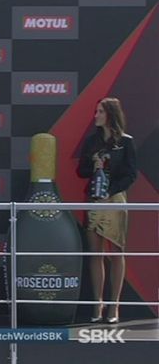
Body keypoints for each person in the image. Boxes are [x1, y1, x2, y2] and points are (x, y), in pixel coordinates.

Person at [77, 97, 136, 324]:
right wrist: (93, 165)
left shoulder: (126, 142)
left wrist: (110, 191)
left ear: (110, 114)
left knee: (117, 252)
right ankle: (97, 304)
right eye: (96, 111)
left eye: (100, 112)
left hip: (115, 199)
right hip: (94, 199)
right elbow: (81, 171)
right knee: (95, 253)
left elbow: (131, 174)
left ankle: (114, 305)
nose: (96, 116)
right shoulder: (91, 141)